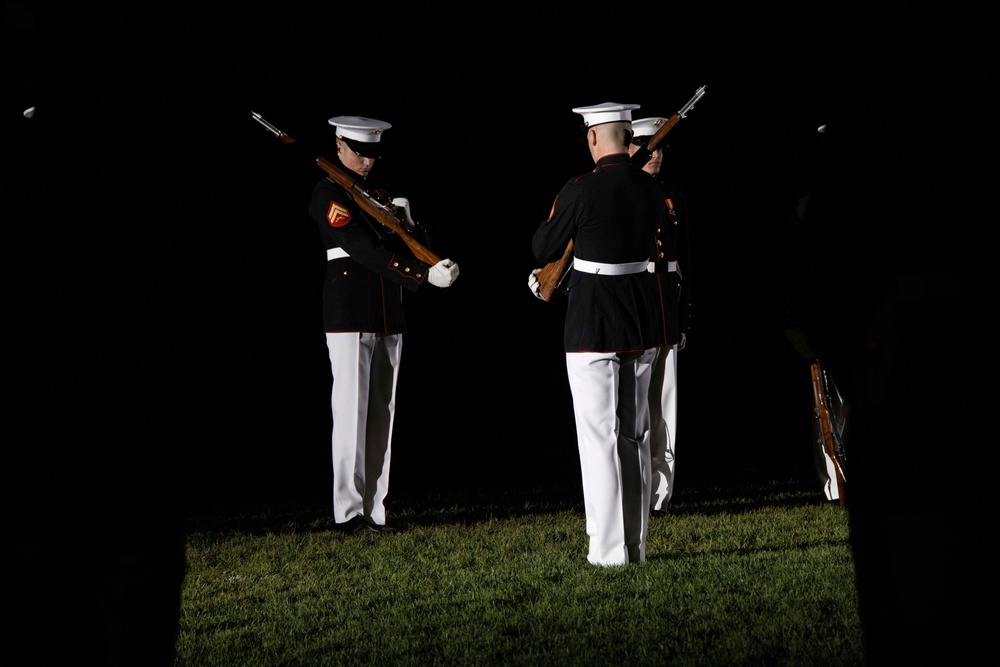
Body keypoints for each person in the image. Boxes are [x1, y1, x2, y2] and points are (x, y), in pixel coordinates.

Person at [529, 102, 668, 566]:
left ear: (592, 138)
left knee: (598, 440)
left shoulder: (580, 188)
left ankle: (608, 553)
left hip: (592, 323)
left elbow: (544, 245)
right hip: (640, 321)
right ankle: (637, 548)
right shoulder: (650, 188)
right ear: (628, 138)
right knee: (635, 437)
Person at [307, 115, 459, 535]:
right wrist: (420, 276)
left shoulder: (378, 196)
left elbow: (410, 243)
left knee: (380, 416)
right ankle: (348, 512)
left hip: (388, 312)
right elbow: (364, 249)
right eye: (359, 152)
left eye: (373, 154)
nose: (367, 162)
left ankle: (375, 509)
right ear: (339, 148)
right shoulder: (327, 195)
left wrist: (410, 223)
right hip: (350, 313)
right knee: (351, 413)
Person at [627, 116, 693, 516]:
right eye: (645, 147)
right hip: (632, 306)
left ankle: (660, 496)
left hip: (665, 307)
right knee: (633, 407)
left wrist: (684, 317)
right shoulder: (619, 192)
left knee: (663, 405)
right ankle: (635, 486)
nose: (655, 154)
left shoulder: (673, 196)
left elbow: (685, 261)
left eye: (660, 147)